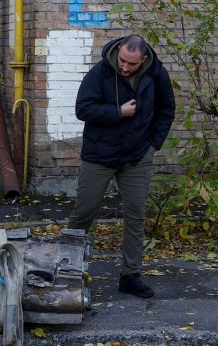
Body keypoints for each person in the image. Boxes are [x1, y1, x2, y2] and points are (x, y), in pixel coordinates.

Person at [67, 33, 175, 299]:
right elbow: (83, 109)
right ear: (118, 53)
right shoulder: (100, 72)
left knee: (135, 214)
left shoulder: (156, 74)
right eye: (122, 61)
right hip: (99, 155)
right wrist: (118, 111)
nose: (125, 67)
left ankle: (131, 276)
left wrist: (153, 145)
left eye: (132, 63)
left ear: (144, 59)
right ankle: (65, 269)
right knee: (84, 212)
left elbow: (166, 110)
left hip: (137, 156)